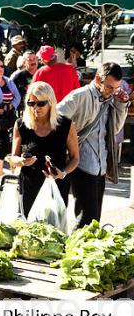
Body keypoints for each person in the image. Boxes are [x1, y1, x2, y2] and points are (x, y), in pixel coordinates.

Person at [58, 62, 132, 229]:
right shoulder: (80, 95)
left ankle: (87, 249)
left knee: (95, 219)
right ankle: (77, 251)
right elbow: (57, 118)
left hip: (101, 165)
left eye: (116, 88)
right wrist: (69, 141)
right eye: (109, 87)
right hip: (81, 163)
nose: (112, 92)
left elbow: (116, 129)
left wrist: (121, 104)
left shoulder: (112, 99)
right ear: (98, 79)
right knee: (86, 219)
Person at [10, 82, 79, 217]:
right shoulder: (21, 125)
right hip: (30, 186)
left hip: (57, 186)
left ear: (51, 102)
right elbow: (13, 157)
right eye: (31, 103)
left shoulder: (65, 125)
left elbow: (75, 158)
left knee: (54, 230)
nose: (36, 107)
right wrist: (22, 161)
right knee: (29, 229)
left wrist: (63, 172)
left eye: (41, 103)